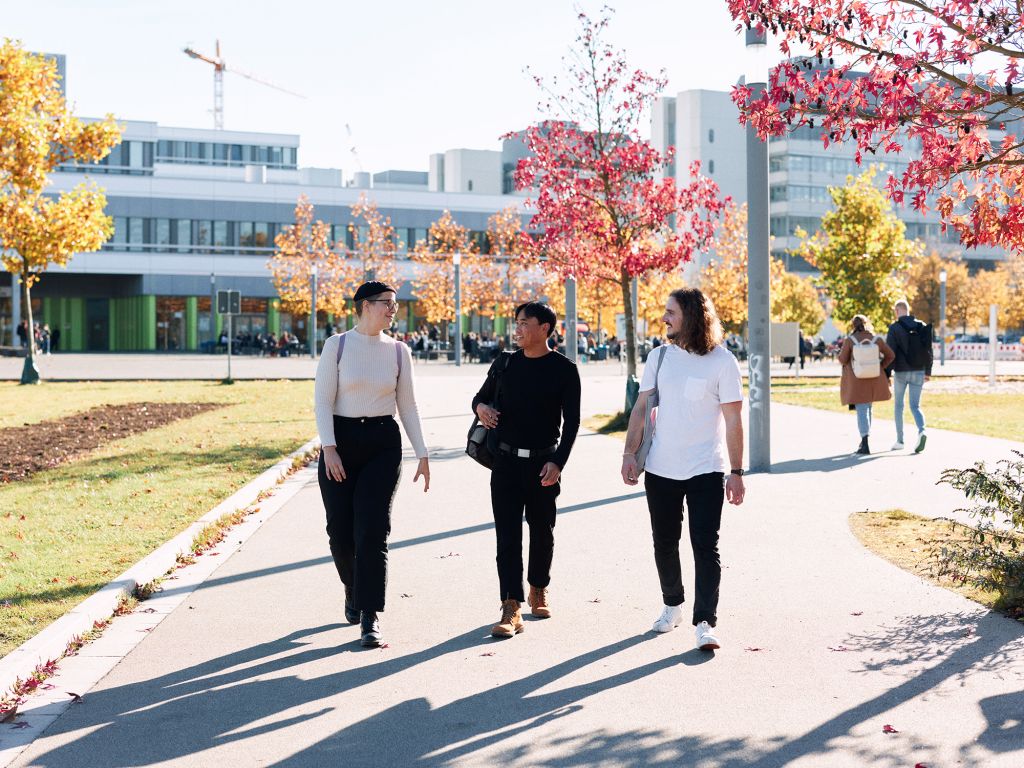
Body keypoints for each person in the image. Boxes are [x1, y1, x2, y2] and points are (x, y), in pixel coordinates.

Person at [620, 288, 745, 652]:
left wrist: (736, 471)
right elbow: (642, 408)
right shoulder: (659, 358)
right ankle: (672, 604)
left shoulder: (722, 362)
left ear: (691, 316)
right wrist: (629, 453)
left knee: (706, 546)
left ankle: (705, 621)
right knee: (664, 543)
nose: (664, 318)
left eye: (670, 312)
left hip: (706, 469)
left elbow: (734, 420)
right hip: (660, 469)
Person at [314, 280, 430, 648]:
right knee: (340, 532)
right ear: (365, 305)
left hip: (383, 443)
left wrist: (422, 453)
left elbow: (408, 406)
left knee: (373, 530)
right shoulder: (338, 345)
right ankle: (353, 586)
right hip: (342, 444)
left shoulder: (399, 351)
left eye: (395, 304)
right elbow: (322, 402)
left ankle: (370, 615)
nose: (393, 310)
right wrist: (329, 448)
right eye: (386, 303)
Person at [472, 301, 581, 639]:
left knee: (542, 530)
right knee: (507, 536)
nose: (516, 329)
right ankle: (511, 605)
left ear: (545, 328)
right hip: (503, 462)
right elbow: (479, 398)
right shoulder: (504, 363)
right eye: (515, 322)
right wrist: (482, 410)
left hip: (543, 464)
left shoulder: (564, 370)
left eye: (524, 323)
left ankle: (538, 587)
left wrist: (558, 462)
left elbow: (573, 422)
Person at [838, 315, 895, 456]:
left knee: (862, 410)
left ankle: (865, 442)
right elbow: (891, 355)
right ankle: (865, 439)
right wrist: (880, 366)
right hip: (874, 379)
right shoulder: (876, 339)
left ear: (853, 325)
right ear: (866, 324)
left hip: (857, 380)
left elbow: (843, 359)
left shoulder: (850, 341)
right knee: (868, 407)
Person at [886, 300, 932, 453]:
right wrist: (928, 372)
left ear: (897, 310)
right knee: (915, 406)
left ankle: (900, 441)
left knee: (899, 406)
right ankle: (922, 431)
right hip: (919, 371)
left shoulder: (894, 328)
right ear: (908, 309)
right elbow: (928, 350)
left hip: (901, 372)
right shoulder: (922, 325)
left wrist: (887, 374)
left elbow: (890, 353)